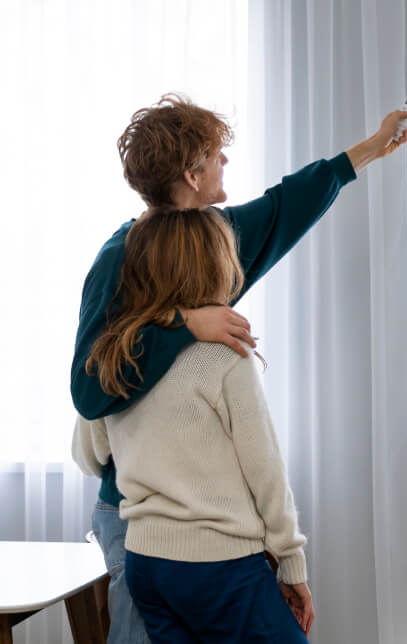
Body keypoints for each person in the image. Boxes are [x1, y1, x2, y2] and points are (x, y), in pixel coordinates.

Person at [71, 93, 407, 642]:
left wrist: (375, 146)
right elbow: (91, 392)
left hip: (170, 533)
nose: (225, 162)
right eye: (215, 155)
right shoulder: (121, 258)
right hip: (134, 518)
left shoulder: (214, 234)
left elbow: (289, 203)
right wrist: (185, 322)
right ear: (190, 174)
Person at [73, 207, 313, 640]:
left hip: (146, 562)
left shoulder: (120, 357)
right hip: (218, 564)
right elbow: (265, 470)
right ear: (216, 264)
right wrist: (291, 559)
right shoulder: (224, 355)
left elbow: (90, 454)